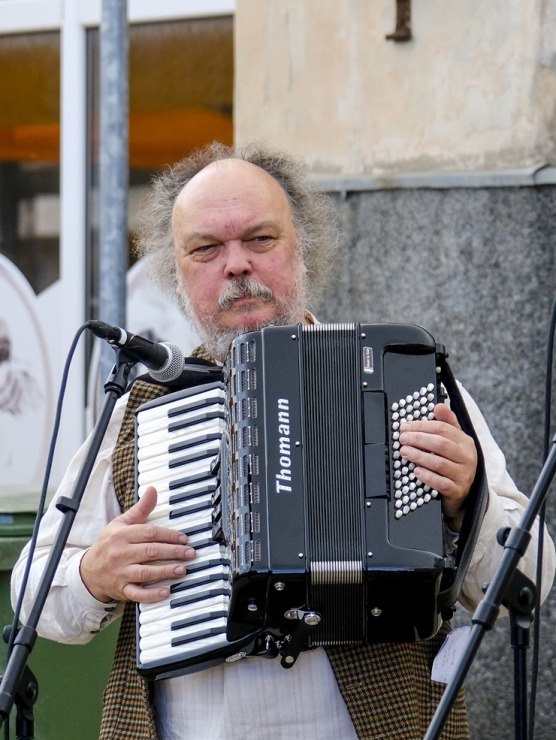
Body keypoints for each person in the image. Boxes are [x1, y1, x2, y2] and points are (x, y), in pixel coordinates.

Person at [11, 142, 556, 740]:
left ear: (302, 249)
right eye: (207, 249)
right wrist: (94, 571)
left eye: (260, 239)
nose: (236, 265)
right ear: (178, 272)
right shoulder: (136, 411)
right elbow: (30, 588)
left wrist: (467, 501)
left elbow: (535, 577)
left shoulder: (408, 378)